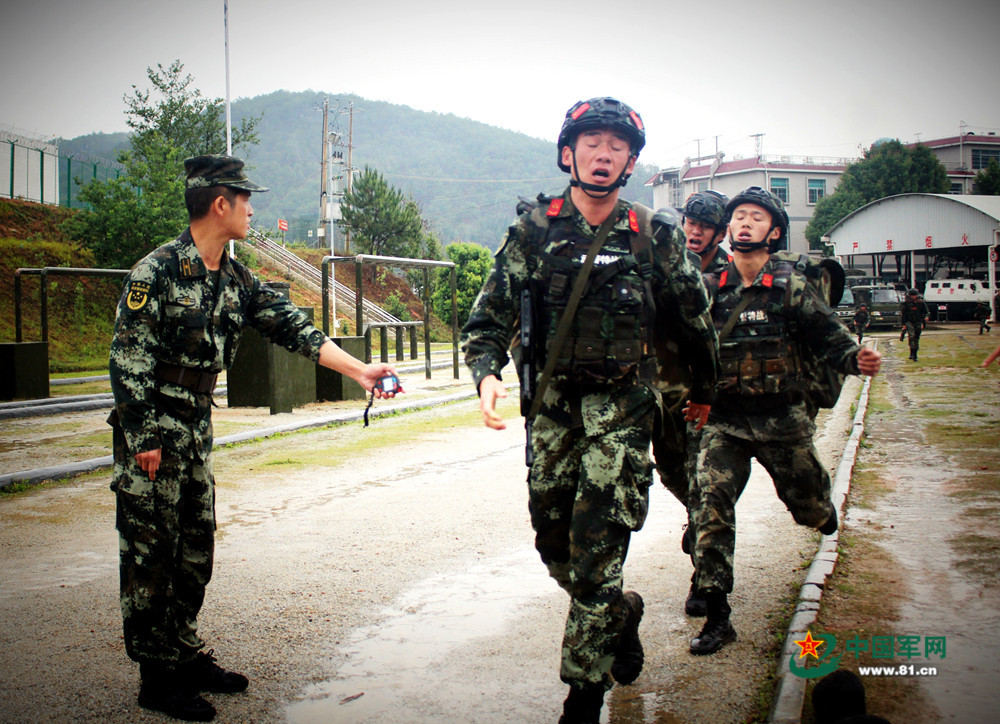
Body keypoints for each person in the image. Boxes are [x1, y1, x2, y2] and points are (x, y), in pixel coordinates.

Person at [108, 154, 399, 722]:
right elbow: (127, 359)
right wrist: (142, 435)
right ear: (221, 203)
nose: (250, 210)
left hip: (195, 425)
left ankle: (184, 652)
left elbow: (298, 329)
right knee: (151, 552)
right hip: (154, 431)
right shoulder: (157, 273)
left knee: (195, 548)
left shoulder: (235, 279)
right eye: (245, 200)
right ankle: (156, 676)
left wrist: (361, 371)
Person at [461, 98, 718, 723]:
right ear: (568, 152)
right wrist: (486, 374)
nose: (603, 154)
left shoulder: (653, 234)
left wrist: (704, 392)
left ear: (630, 159)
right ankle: (620, 616)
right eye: (591, 142)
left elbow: (694, 318)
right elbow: (487, 316)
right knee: (557, 547)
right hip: (551, 415)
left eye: (616, 145)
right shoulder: (533, 230)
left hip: (624, 415)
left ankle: (583, 699)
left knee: (598, 552)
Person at [687, 187, 882, 656]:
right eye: (738, 217)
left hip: (783, 422)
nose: (744, 223)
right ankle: (717, 615)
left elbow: (829, 337)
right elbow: (690, 348)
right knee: (709, 509)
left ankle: (820, 505)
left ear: (773, 232)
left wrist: (858, 358)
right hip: (726, 424)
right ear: (729, 230)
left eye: (756, 217)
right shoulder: (710, 289)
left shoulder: (792, 286)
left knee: (809, 508)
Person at [651, 189, 729, 620]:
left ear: (719, 233)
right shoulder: (662, 264)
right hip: (662, 392)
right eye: (690, 224)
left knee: (704, 484)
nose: (695, 232)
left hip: (701, 398)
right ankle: (696, 520)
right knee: (672, 474)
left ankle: (704, 579)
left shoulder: (728, 276)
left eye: (704, 227)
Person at [900, 288, 929, 361]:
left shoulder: (921, 303)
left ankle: (915, 354)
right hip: (909, 322)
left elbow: (926, 312)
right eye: (911, 295)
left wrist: (926, 317)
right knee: (911, 336)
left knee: (916, 338)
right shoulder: (906, 304)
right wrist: (903, 324)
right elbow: (903, 315)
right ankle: (912, 353)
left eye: (914, 295)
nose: (913, 297)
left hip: (918, 322)